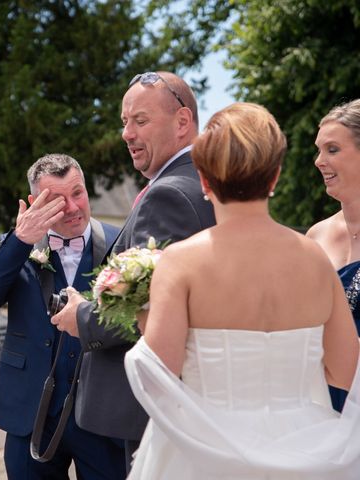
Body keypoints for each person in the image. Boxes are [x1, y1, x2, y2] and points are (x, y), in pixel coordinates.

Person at [123, 102, 360, 479]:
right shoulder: (315, 259)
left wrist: (145, 317)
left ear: (204, 180)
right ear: (275, 177)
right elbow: (345, 370)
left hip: (203, 454)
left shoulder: (181, 262)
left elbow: (161, 372)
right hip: (305, 444)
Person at [50, 71, 215, 466]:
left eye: (140, 121)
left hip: (154, 408)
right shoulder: (199, 183)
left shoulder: (169, 194)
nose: (126, 133)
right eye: (125, 122)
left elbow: (153, 304)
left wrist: (81, 316)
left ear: (182, 123)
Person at [0, 154, 125, 479]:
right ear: (34, 202)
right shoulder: (17, 249)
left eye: (77, 193)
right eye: (56, 200)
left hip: (99, 415)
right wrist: (20, 241)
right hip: (30, 413)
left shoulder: (121, 244)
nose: (72, 208)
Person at [307, 98, 360, 411]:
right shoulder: (316, 236)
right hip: (324, 399)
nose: (318, 161)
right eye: (318, 149)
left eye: (332, 149)